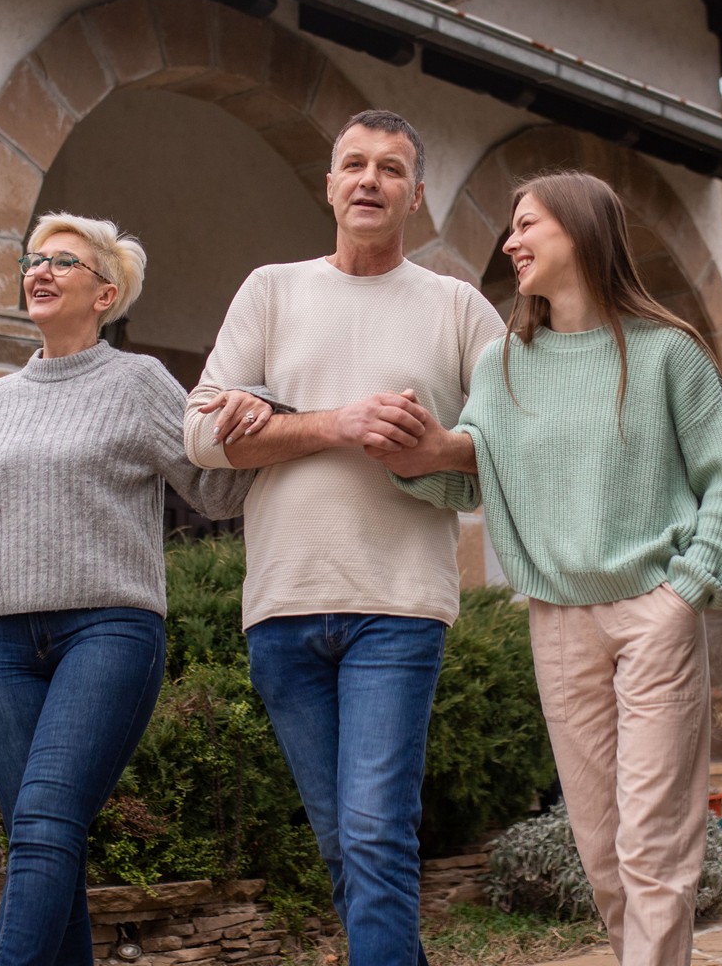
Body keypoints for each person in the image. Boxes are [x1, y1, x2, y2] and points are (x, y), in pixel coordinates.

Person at [391, 170, 722, 966]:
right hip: (558, 624)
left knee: (653, 851)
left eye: (528, 224)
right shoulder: (504, 365)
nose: (511, 241)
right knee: (605, 859)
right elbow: (476, 472)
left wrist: (679, 598)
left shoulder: (668, 354)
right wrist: (407, 454)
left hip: (651, 612)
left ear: (583, 230)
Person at [183, 109, 505, 966]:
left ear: (417, 195)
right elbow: (203, 434)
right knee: (342, 844)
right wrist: (335, 423)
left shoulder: (459, 309)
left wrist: (437, 447)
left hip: (397, 607)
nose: (369, 180)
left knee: (372, 834)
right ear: (329, 185)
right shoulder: (272, 290)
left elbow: (523, 443)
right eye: (353, 164)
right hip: (282, 607)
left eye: (390, 169)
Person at [0, 213, 266, 966]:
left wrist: (260, 411)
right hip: (5, 649)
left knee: (45, 824)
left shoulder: (138, 382)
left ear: (104, 293)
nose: (39, 271)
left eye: (63, 263)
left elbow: (213, 493)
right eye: (34, 260)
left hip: (108, 633)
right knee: (45, 842)